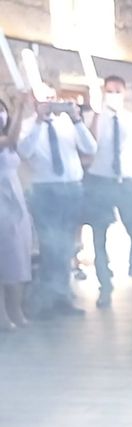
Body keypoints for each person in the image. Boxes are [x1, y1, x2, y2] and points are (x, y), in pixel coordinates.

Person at [19, 94, 97, 318]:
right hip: (44, 190)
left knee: (65, 246)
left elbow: (90, 147)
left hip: (72, 188)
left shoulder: (67, 123)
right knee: (49, 245)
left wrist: (77, 120)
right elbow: (24, 151)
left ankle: (62, 297)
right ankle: (45, 299)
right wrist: (38, 121)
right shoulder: (27, 125)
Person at [84, 75, 132, 308]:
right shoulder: (94, 119)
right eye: (109, 91)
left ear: (125, 92)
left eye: (117, 91)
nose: (113, 95)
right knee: (99, 236)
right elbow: (88, 147)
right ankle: (105, 285)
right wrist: (95, 114)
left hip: (128, 182)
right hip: (100, 181)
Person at [0, 94, 31, 331]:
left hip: (14, 198)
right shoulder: (6, 141)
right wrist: (21, 109)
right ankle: (3, 314)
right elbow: (10, 140)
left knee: (18, 255)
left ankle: (16, 309)